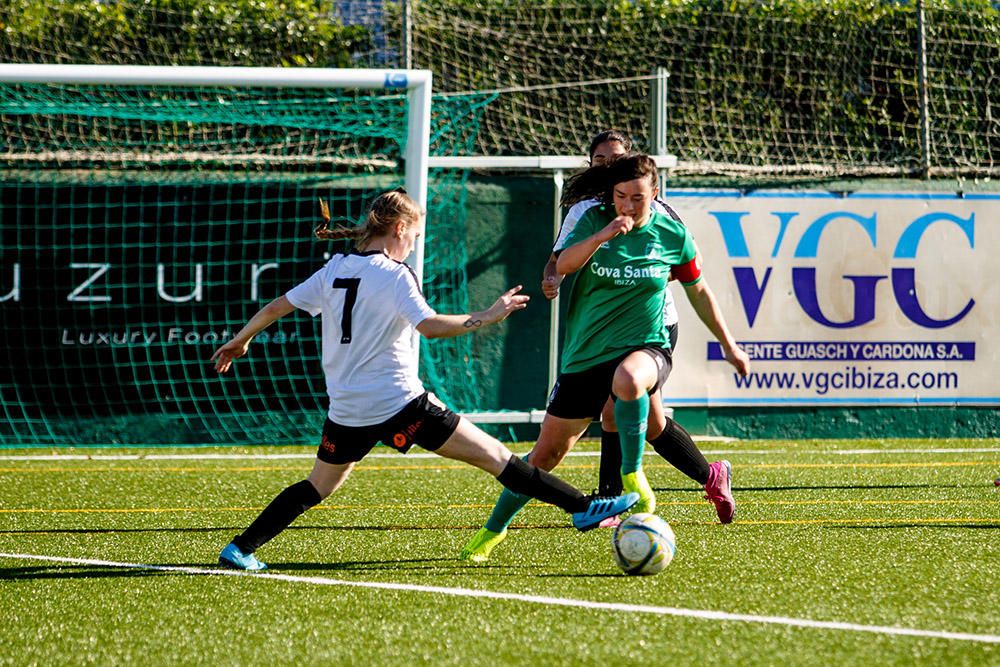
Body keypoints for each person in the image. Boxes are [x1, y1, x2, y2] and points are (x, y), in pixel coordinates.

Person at [212, 188, 637, 571]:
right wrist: (488, 315)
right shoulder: (395, 274)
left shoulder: (334, 270)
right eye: (414, 237)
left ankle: (241, 548)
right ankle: (583, 507)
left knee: (317, 485)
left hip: (348, 409)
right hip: (400, 404)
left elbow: (275, 307)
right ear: (398, 229)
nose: (414, 246)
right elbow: (429, 326)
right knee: (496, 457)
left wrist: (239, 341)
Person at [460, 155, 750, 562]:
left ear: (656, 195)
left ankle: (633, 476)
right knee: (544, 456)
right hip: (586, 352)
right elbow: (562, 264)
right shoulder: (593, 219)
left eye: (637, 198)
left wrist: (729, 344)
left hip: (647, 342)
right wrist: (604, 235)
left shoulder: (671, 233)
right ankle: (492, 532)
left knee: (630, 380)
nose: (628, 206)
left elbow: (698, 291)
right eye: (620, 197)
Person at [543, 130, 712, 516]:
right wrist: (552, 278)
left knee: (616, 404)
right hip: (602, 329)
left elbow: (679, 269)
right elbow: (559, 260)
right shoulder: (586, 211)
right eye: (600, 159)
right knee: (651, 424)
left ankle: (609, 497)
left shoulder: (660, 212)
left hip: (653, 326)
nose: (607, 165)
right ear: (591, 165)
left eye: (615, 158)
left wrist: (635, 276)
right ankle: (711, 477)